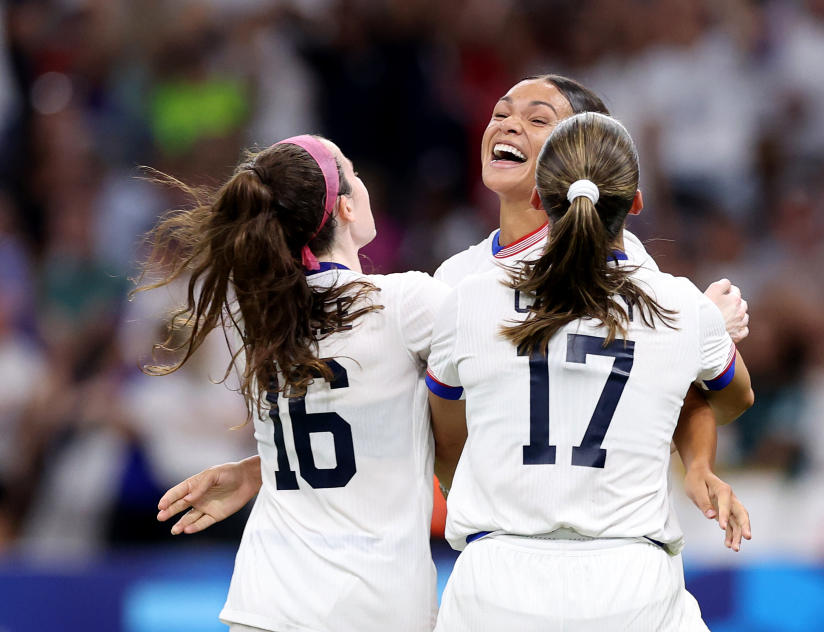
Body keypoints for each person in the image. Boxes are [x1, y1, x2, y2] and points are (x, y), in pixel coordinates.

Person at [159, 76, 751, 549]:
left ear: (576, 157)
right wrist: (267, 466)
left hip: (598, 542)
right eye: (500, 111)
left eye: (538, 118)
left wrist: (698, 457)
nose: (508, 123)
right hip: (510, 551)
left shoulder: (624, 265)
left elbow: (674, 389)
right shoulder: (456, 281)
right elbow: (386, 412)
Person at [426, 112, 754, 631]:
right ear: (636, 202)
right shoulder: (683, 308)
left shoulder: (468, 301)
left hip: (494, 584)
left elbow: (447, 439)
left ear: (538, 198)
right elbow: (736, 398)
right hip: (631, 585)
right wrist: (668, 423)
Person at [137, 135, 450, 632]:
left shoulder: (262, 314)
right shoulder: (407, 303)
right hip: (372, 605)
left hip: (266, 600)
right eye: (353, 169)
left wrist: (263, 469)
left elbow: (343, 427)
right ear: (345, 206)